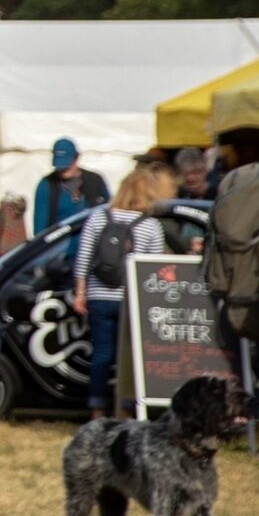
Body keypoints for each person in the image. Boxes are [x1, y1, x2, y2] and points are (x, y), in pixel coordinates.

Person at [72, 166, 172, 418]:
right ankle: (125, 411)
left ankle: (97, 410)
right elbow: (156, 270)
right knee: (129, 360)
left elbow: (83, 259)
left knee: (102, 354)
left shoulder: (98, 218)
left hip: (99, 296)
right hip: (132, 300)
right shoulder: (151, 226)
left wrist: (81, 293)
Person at [35, 137, 111, 233]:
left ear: (77, 158)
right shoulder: (46, 185)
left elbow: (110, 213)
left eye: (66, 165)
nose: (62, 170)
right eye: (59, 166)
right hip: (61, 245)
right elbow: (40, 229)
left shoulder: (95, 180)